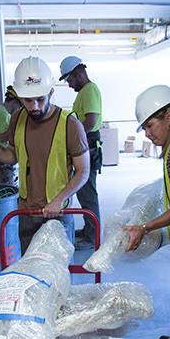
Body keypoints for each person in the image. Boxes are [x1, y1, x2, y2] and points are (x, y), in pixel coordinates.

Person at [0, 56, 90, 253]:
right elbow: (13, 155)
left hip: (58, 214)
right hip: (27, 214)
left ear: (51, 93)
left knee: (59, 276)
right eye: (28, 100)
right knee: (30, 273)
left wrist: (58, 200)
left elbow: (83, 170)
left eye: (40, 99)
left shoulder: (70, 125)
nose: (34, 106)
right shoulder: (17, 119)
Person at [122, 84, 170, 339]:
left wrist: (145, 227)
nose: (147, 133)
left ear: (168, 116)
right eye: (144, 127)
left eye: (150, 125)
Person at [59, 55, 103, 250]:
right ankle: (88, 230)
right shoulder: (84, 92)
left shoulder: (89, 90)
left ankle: (92, 237)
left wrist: (73, 139)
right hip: (86, 145)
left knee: (88, 195)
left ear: (78, 75)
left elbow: (90, 122)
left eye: (69, 80)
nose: (69, 85)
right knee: (84, 194)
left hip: (88, 146)